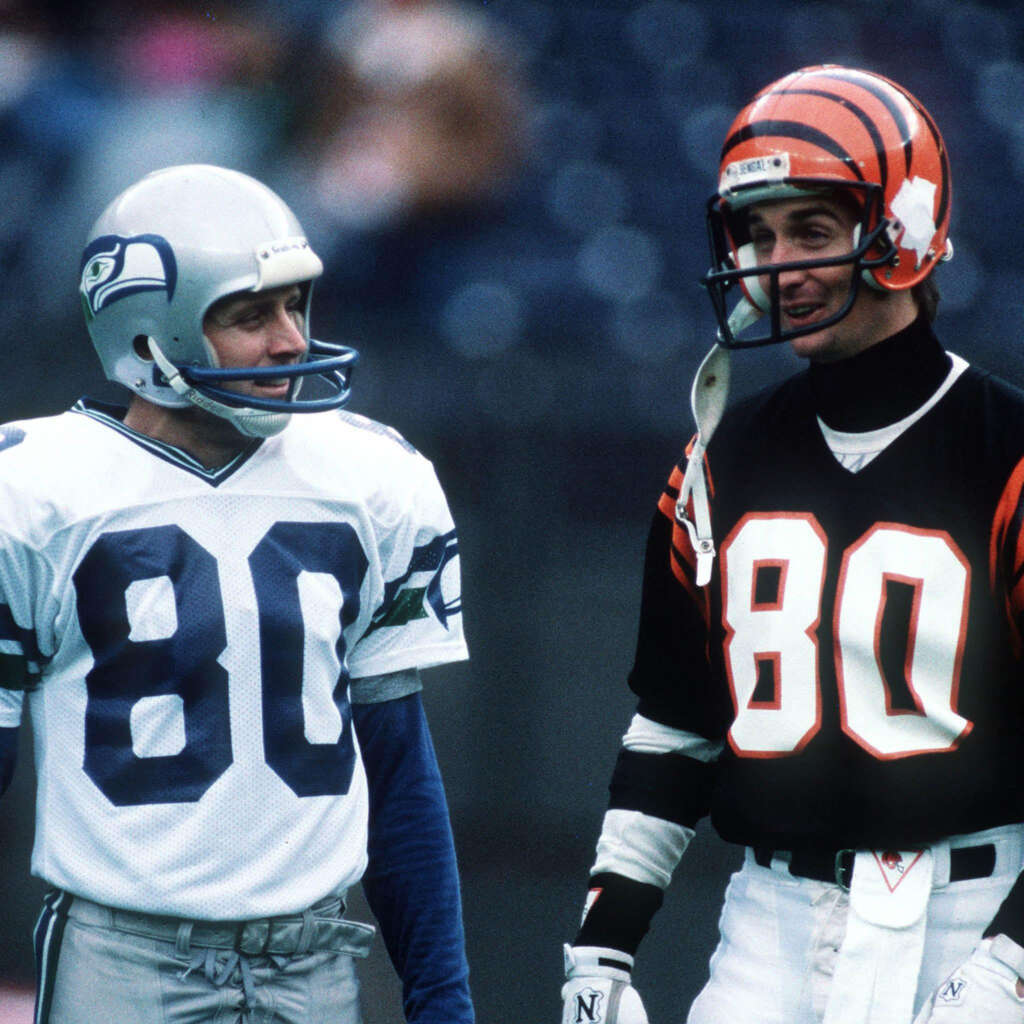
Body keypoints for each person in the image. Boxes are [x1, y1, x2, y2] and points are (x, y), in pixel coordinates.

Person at [560, 65, 1024, 1024]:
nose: (779, 265)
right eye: (758, 235)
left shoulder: (1007, 452)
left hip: (972, 912)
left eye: (812, 230)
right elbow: (676, 722)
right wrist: (603, 946)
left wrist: (1012, 957)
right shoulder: (718, 454)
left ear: (903, 229)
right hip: (768, 921)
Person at [0, 163, 474, 1024]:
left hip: (318, 958)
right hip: (124, 963)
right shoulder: (33, 492)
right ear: (149, 334)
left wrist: (443, 1000)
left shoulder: (371, 476)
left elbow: (400, 772)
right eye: (250, 314)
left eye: (296, 306)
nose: (291, 340)